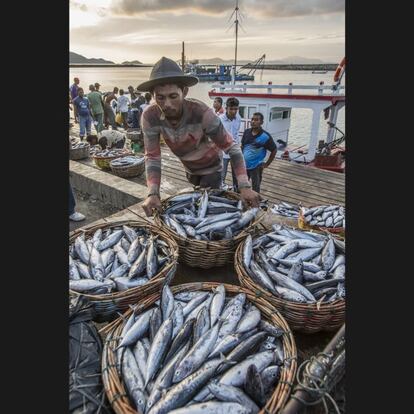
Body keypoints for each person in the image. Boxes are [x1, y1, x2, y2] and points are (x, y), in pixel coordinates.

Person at [137, 56, 260, 217]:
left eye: (173, 96)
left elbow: (233, 148)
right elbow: (152, 157)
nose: (166, 104)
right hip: (189, 169)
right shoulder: (149, 116)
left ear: (184, 92)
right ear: (153, 96)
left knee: (209, 213)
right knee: (196, 207)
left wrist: (244, 186)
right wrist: (153, 193)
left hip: (212, 169)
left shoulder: (202, 113)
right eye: (160, 97)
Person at [241, 112, 277, 193]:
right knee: (243, 185)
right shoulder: (246, 132)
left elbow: (274, 150)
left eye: (256, 120)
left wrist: (267, 164)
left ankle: (256, 203)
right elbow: (242, 146)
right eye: (252, 119)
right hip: (244, 165)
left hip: (256, 166)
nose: (253, 121)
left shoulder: (265, 136)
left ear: (261, 122)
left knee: (255, 188)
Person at [219, 97, 242, 192]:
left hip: (235, 150)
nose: (233, 111)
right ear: (226, 108)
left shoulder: (238, 118)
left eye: (236, 109)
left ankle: (236, 192)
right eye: (231, 109)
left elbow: (236, 134)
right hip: (223, 152)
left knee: (236, 175)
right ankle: (219, 192)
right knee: (221, 175)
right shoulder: (219, 120)